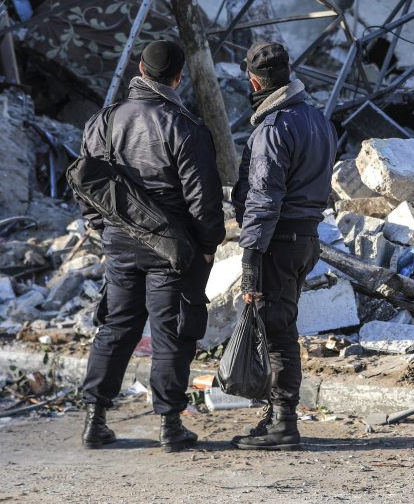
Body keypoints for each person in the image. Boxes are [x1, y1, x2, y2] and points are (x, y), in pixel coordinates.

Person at [79, 40, 225, 452]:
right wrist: (209, 245)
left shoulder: (102, 122)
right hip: (172, 248)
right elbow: (204, 200)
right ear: (177, 77)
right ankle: (170, 426)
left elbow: (86, 182)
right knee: (171, 333)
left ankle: (95, 420)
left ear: (140, 70)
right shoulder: (184, 126)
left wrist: (99, 226)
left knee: (116, 327)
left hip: (118, 241)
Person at [230, 41, 337, 451]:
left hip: (278, 240)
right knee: (281, 327)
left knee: (277, 333)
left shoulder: (273, 129)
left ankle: (284, 424)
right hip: (306, 238)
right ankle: (276, 416)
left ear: (255, 81)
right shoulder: (316, 120)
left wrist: (250, 258)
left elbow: (263, 197)